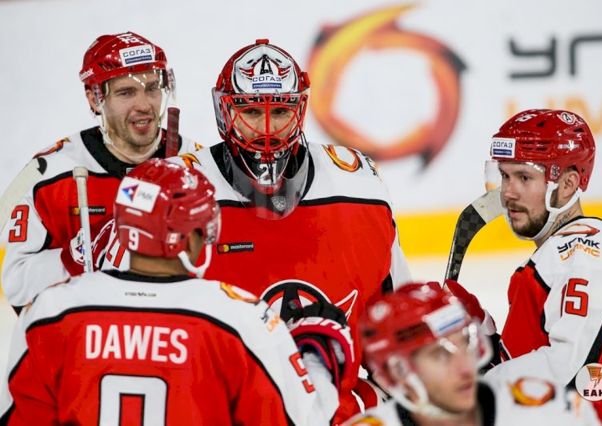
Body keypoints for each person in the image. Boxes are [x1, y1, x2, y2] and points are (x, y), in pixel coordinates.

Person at [95, 38, 411, 422]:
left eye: (279, 111)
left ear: (300, 109)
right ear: (224, 111)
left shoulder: (357, 185)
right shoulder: (175, 190)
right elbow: (123, 329)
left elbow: (396, 324)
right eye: (249, 111)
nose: (266, 129)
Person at [0, 159, 350, 425]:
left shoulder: (50, 312)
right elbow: (305, 420)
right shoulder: (240, 319)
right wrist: (317, 356)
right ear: (190, 237)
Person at [454, 109, 602, 425]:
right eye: (505, 176)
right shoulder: (557, 257)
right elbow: (528, 365)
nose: (508, 192)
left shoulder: (588, 255)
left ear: (567, 184)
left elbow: (568, 373)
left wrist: (470, 393)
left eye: (524, 177)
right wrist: (484, 338)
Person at [1, 31, 201, 308]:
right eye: (126, 92)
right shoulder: (48, 174)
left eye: (152, 88)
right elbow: (14, 285)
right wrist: (77, 255)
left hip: (175, 331)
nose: (144, 105)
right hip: (88, 333)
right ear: (95, 99)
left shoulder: (196, 165)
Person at [344, 282, 601, 425]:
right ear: (398, 372)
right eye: (440, 355)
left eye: (466, 343)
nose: (465, 367)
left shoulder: (551, 411)